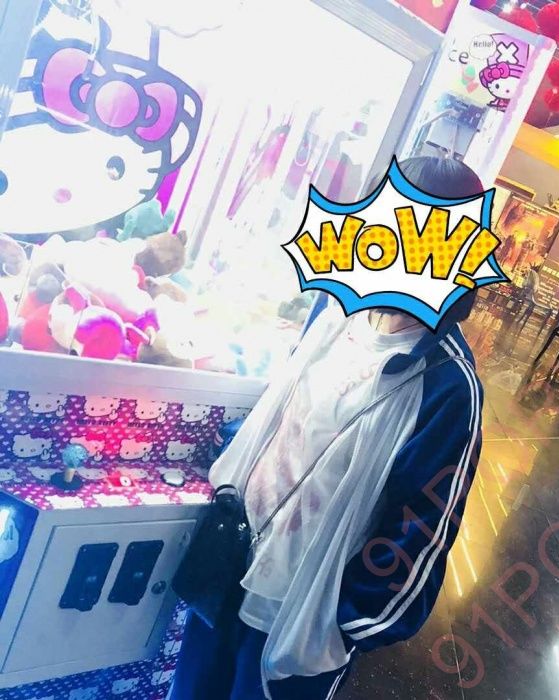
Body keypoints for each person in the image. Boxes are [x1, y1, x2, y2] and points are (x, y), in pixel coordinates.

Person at [169, 156, 485, 700]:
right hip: (233, 562)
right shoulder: (336, 315)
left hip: (298, 616)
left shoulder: (447, 386)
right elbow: (288, 416)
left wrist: (346, 622)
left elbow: (421, 531)